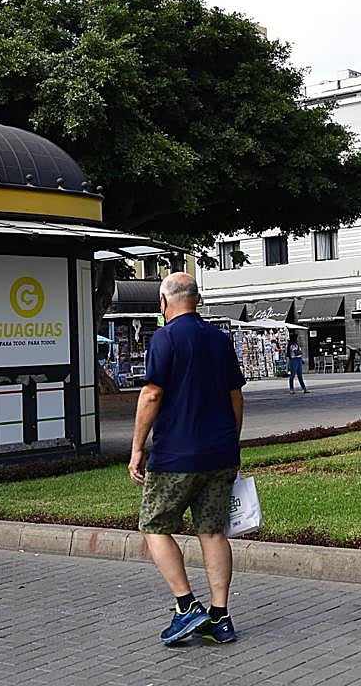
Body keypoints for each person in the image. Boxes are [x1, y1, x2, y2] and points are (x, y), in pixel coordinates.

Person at [129, 272, 245, 646]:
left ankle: (185, 606)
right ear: (196, 299)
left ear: (165, 302)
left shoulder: (165, 338)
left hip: (176, 455)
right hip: (220, 453)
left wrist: (136, 449)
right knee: (212, 531)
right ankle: (220, 617)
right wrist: (231, 442)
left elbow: (151, 395)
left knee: (154, 525)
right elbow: (235, 398)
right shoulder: (219, 340)